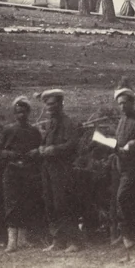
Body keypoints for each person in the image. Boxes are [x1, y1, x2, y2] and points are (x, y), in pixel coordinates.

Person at [36, 88, 80, 253]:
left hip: (62, 169)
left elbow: (72, 144)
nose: (49, 107)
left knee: (64, 203)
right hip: (48, 168)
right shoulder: (50, 123)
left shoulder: (68, 123)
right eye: (47, 104)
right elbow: (46, 142)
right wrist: (41, 148)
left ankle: (74, 241)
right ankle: (58, 240)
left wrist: (54, 149)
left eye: (52, 104)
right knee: (50, 204)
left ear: (61, 104)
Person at [0, 95, 43, 252]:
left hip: (28, 171)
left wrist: (34, 153)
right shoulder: (8, 130)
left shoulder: (34, 131)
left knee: (26, 203)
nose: (21, 115)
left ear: (28, 112)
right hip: (12, 171)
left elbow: (40, 149)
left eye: (24, 112)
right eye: (18, 112)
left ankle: (22, 239)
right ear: (14, 113)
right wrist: (9, 154)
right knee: (11, 204)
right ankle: (11, 241)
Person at [111, 87, 135, 249]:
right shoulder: (123, 119)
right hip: (120, 163)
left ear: (133, 102)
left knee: (123, 197)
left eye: (125, 103)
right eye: (119, 104)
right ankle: (126, 232)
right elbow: (119, 139)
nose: (122, 106)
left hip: (134, 166)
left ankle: (129, 234)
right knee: (119, 199)